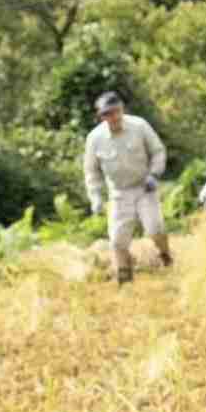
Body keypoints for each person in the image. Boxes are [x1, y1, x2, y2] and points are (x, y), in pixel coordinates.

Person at [83, 91, 172, 285]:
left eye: (115, 112)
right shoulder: (94, 138)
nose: (113, 117)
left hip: (144, 186)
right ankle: (125, 279)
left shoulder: (139, 126)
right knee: (117, 240)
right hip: (119, 193)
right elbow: (92, 172)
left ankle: (166, 256)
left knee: (155, 229)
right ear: (101, 117)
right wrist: (96, 198)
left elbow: (158, 151)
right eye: (107, 114)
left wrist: (154, 174)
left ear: (122, 109)